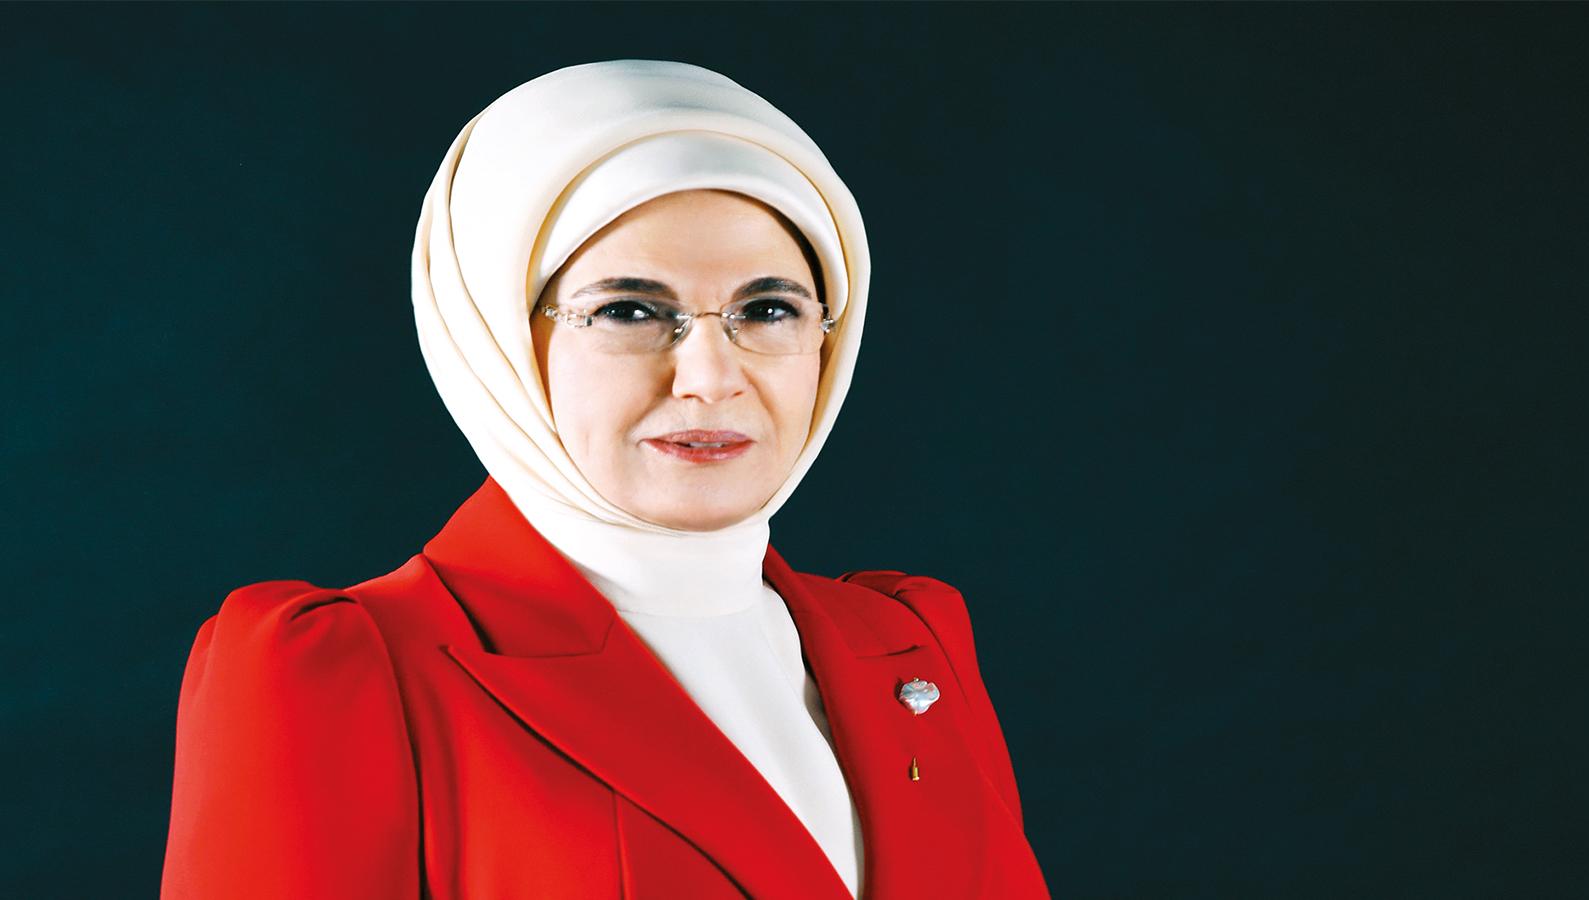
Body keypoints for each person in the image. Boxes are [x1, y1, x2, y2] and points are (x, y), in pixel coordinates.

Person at [160, 60, 1050, 899]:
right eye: (630, 310)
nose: (711, 377)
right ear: (498, 339)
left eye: (768, 308)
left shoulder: (906, 641)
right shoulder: (340, 675)